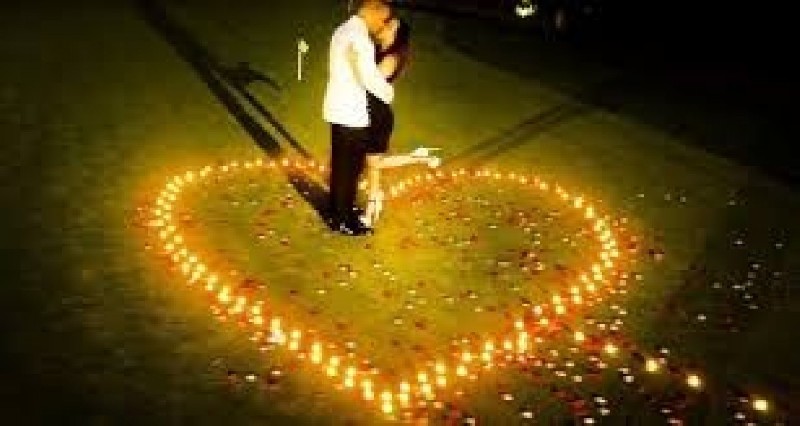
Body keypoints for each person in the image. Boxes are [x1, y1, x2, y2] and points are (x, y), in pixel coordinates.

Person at [359, 18, 441, 228]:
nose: (384, 26)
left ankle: (418, 158)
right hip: (366, 113)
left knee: (375, 164)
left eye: (390, 26)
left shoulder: (391, 58)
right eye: (387, 23)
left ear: (396, 35)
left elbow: (368, 81)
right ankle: (373, 204)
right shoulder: (378, 50)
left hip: (377, 116)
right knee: (372, 165)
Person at [323, 0, 394, 235]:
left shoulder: (343, 29)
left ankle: (337, 212)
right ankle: (344, 220)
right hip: (350, 112)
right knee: (349, 169)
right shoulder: (358, 36)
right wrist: (388, 93)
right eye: (382, 19)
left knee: (342, 166)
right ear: (372, 10)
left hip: (340, 109)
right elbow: (368, 77)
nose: (381, 25)